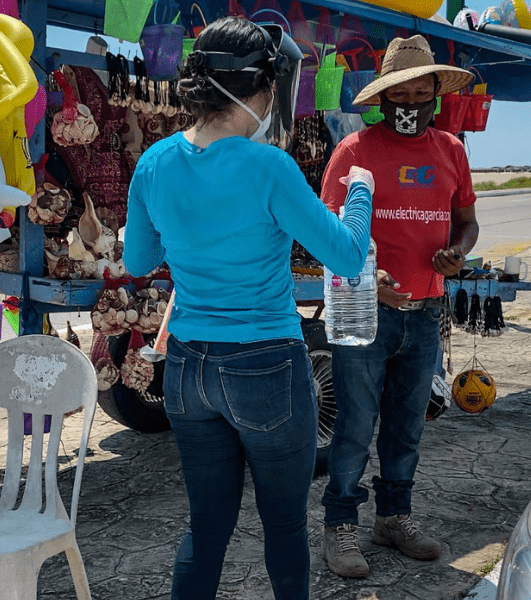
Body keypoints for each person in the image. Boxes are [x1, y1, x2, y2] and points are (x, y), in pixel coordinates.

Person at [122, 16, 375, 600]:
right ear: (262, 90)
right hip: (266, 364)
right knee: (283, 524)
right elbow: (346, 253)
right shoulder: (269, 166)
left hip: (188, 367)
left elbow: (138, 261)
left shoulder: (155, 163)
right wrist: (358, 187)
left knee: (206, 525)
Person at [319, 34, 479, 578]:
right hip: (363, 314)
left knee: (408, 425)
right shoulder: (354, 151)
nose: (409, 105)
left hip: (426, 314)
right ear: (382, 99)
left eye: (420, 94)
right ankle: (340, 526)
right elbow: (330, 236)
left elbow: (466, 222)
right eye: (399, 95)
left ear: (436, 95)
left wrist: (457, 252)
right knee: (356, 425)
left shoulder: (452, 150)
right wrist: (370, 278)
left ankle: (393, 518)